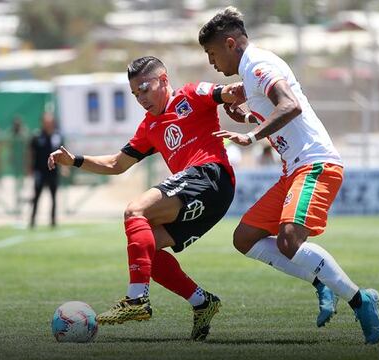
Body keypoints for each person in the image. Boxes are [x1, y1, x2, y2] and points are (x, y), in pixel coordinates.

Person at [198, 7, 379, 344]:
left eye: (212, 54)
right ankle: (321, 280)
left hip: (315, 163)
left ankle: (360, 299)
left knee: (288, 241)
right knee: (245, 238)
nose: (212, 63)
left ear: (229, 44)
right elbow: (281, 117)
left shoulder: (258, 65)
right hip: (294, 169)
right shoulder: (254, 70)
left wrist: (251, 138)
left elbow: (291, 106)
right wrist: (249, 119)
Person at [48, 56, 239, 341]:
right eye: (135, 93)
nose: (141, 98)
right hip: (210, 199)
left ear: (163, 80)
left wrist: (249, 99)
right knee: (147, 248)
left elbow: (228, 92)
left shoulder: (190, 94)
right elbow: (116, 164)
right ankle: (202, 302)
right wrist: (74, 160)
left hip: (211, 176)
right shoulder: (150, 126)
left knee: (135, 210)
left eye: (145, 89)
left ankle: (137, 300)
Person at [30, 113, 63, 228]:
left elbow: (63, 154)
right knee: (36, 196)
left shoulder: (57, 136)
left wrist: (65, 167)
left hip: (53, 171)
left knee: (53, 197)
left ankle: (53, 221)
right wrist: (29, 169)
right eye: (46, 122)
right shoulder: (37, 136)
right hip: (40, 171)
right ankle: (32, 220)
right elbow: (30, 153)